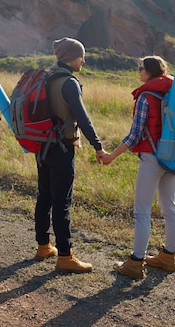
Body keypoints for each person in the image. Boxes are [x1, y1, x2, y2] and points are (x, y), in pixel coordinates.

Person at [100, 55, 175, 279]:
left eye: (140, 68)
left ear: (150, 71)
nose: (138, 72)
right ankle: (168, 257)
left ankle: (135, 263)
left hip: (152, 159)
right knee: (169, 208)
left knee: (142, 212)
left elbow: (134, 136)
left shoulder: (146, 96)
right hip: (170, 157)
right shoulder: (172, 92)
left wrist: (111, 156)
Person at [35, 37, 106, 273]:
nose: (83, 60)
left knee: (44, 196)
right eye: (80, 56)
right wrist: (97, 145)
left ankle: (44, 246)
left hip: (42, 146)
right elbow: (82, 118)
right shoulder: (69, 82)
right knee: (62, 203)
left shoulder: (46, 77)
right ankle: (65, 256)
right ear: (70, 57)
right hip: (62, 148)